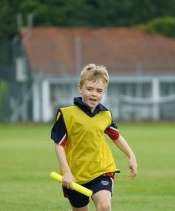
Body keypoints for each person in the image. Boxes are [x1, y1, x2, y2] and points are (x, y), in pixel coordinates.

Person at [51, 64, 137, 211]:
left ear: (104, 92)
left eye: (99, 91)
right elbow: (59, 145)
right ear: (80, 88)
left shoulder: (105, 115)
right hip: (75, 175)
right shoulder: (66, 115)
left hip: (101, 170)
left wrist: (131, 155)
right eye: (89, 89)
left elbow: (116, 136)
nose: (94, 94)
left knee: (104, 206)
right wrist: (66, 172)